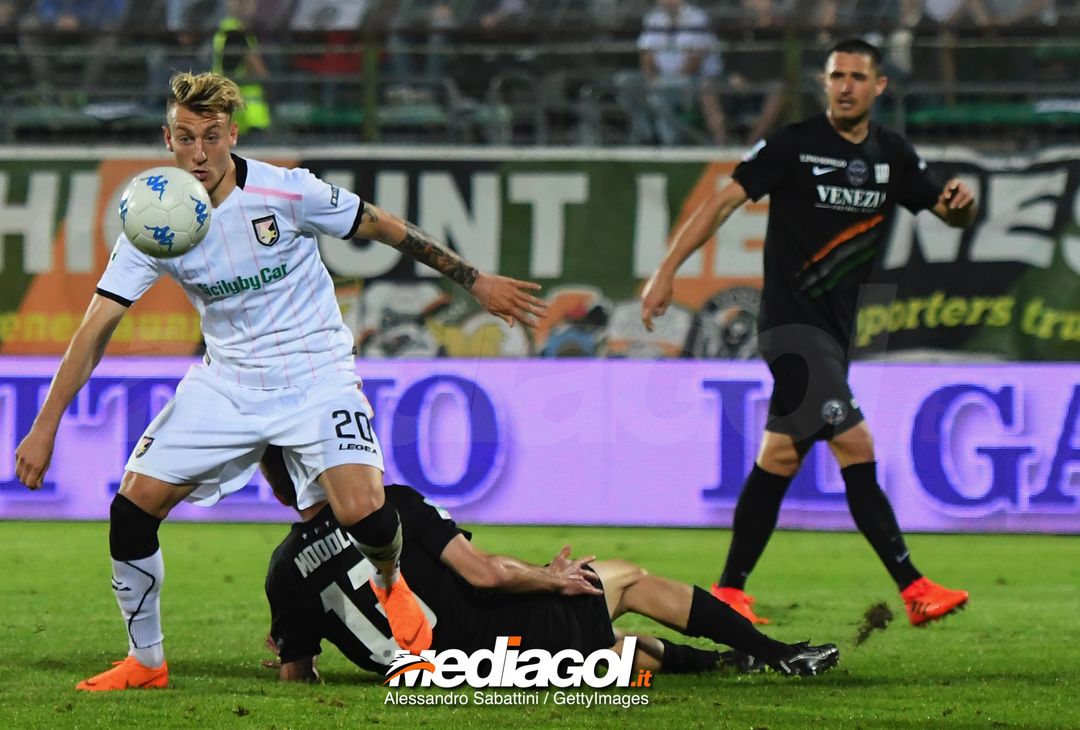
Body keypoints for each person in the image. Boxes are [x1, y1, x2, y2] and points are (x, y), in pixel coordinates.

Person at [13, 70, 548, 691]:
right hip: (229, 383)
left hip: (316, 374)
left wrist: (475, 280)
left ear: (232, 135)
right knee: (132, 509)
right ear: (167, 139)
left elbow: (382, 225)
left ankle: (389, 581)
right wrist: (45, 425)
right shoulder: (155, 220)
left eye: (212, 136)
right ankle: (147, 661)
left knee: (365, 513)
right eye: (186, 138)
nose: (199, 153)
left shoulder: (287, 191)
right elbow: (96, 326)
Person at [640, 38, 976, 627]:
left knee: (779, 457)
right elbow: (723, 203)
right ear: (824, 82)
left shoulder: (892, 154)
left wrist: (960, 205)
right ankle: (915, 587)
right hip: (790, 329)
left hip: (834, 334)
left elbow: (948, 213)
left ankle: (729, 592)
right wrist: (666, 271)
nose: (845, 86)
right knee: (856, 444)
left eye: (857, 77)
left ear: (879, 86)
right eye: (836, 75)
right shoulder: (794, 145)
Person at [258, 446, 840, 681]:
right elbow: (484, 573)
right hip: (482, 638)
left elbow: (297, 675)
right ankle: (777, 654)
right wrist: (550, 576)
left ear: (281, 491)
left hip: (437, 675)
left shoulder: (283, 571)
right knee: (618, 580)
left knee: (606, 648)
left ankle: (728, 662)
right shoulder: (394, 507)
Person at [616, 0, 727, 145]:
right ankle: (644, 134)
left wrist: (666, 82)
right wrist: (651, 79)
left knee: (663, 90)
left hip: (693, 78)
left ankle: (670, 143)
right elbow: (647, 54)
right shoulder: (653, 18)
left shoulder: (697, 18)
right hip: (660, 78)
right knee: (626, 81)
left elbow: (695, 60)